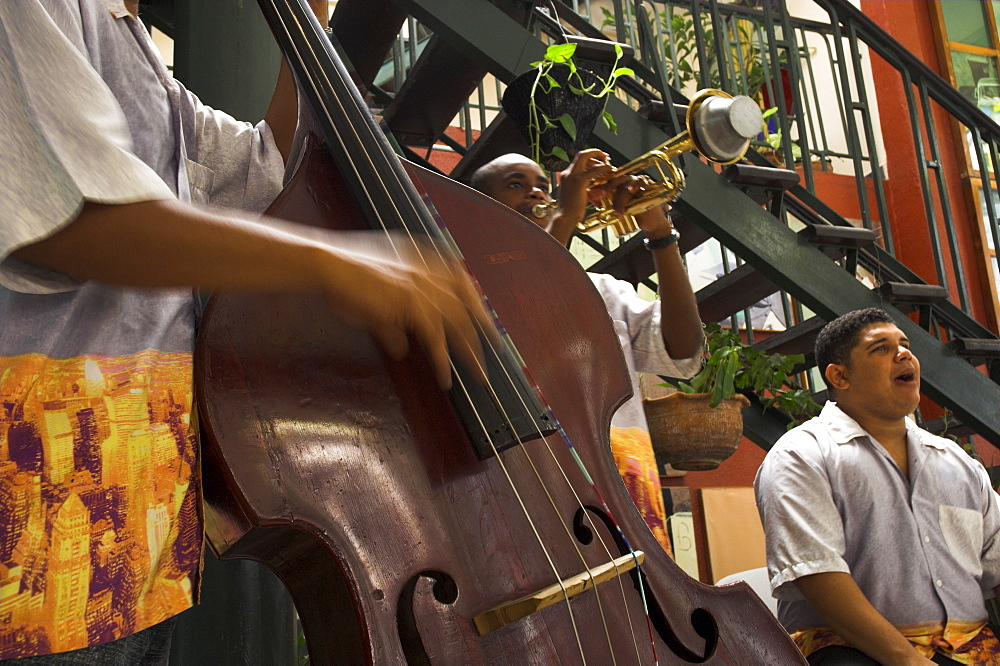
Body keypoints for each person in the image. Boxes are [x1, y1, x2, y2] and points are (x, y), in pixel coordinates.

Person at [0, 1, 489, 661]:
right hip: (30, 560)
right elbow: (79, 218)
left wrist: (308, 20)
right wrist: (334, 266)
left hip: (132, 562)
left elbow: (264, 172)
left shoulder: (129, 41)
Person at [469, 150, 704, 554]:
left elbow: (682, 352)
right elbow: (519, 317)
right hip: (537, 495)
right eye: (515, 185)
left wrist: (660, 233)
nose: (536, 193)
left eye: (542, 184)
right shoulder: (468, 283)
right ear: (476, 210)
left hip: (629, 491)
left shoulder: (605, 290)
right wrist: (565, 220)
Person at [754, 308, 1000, 665]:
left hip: (973, 649)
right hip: (853, 651)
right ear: (840, 376)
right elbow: (818, 576)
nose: (904, 354)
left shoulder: (957, 462)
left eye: (904, 345)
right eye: (880, 349)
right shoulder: (801, 455)